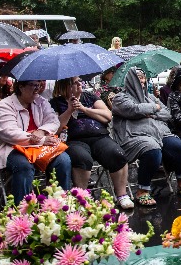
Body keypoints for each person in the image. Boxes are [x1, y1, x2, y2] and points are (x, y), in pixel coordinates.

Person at [50, 77, 133, 210]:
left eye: (80, 81)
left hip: (99, 136)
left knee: (116, 153)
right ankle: (81, 199)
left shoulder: (89, 96)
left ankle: (122, 195)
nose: (79, 84)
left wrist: (84, 109)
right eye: (75, 82)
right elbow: (55, 128)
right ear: (65, 86)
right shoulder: (56, 102)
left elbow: (107, 116)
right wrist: (70, 110)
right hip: (74, 140)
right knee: (82, 158)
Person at [111, 68, 181, 206]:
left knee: (178, 146)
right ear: (130, 80)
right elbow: (133, 110)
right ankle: (142, 190)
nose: (142, 80)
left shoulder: (150, 96)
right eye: (138, 77)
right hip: (135, 135)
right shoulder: (120, 98)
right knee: (152, 150)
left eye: (143, 77)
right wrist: (154, 107)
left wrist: (150, 111)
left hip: (158, 133)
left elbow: (167, 114)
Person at [0, 80, 72, 206]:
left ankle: (59, 206)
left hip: (40, 148)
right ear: (21, 87)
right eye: (33, 85)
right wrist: (41, 139)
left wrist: (41, 130)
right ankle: (23, 211)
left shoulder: (41, 101)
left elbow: (54, 121)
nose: (37, 89)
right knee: (24, 166)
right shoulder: (3, 106)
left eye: (39, 85)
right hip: (12, 148)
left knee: (63, 161)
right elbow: (10, 133)